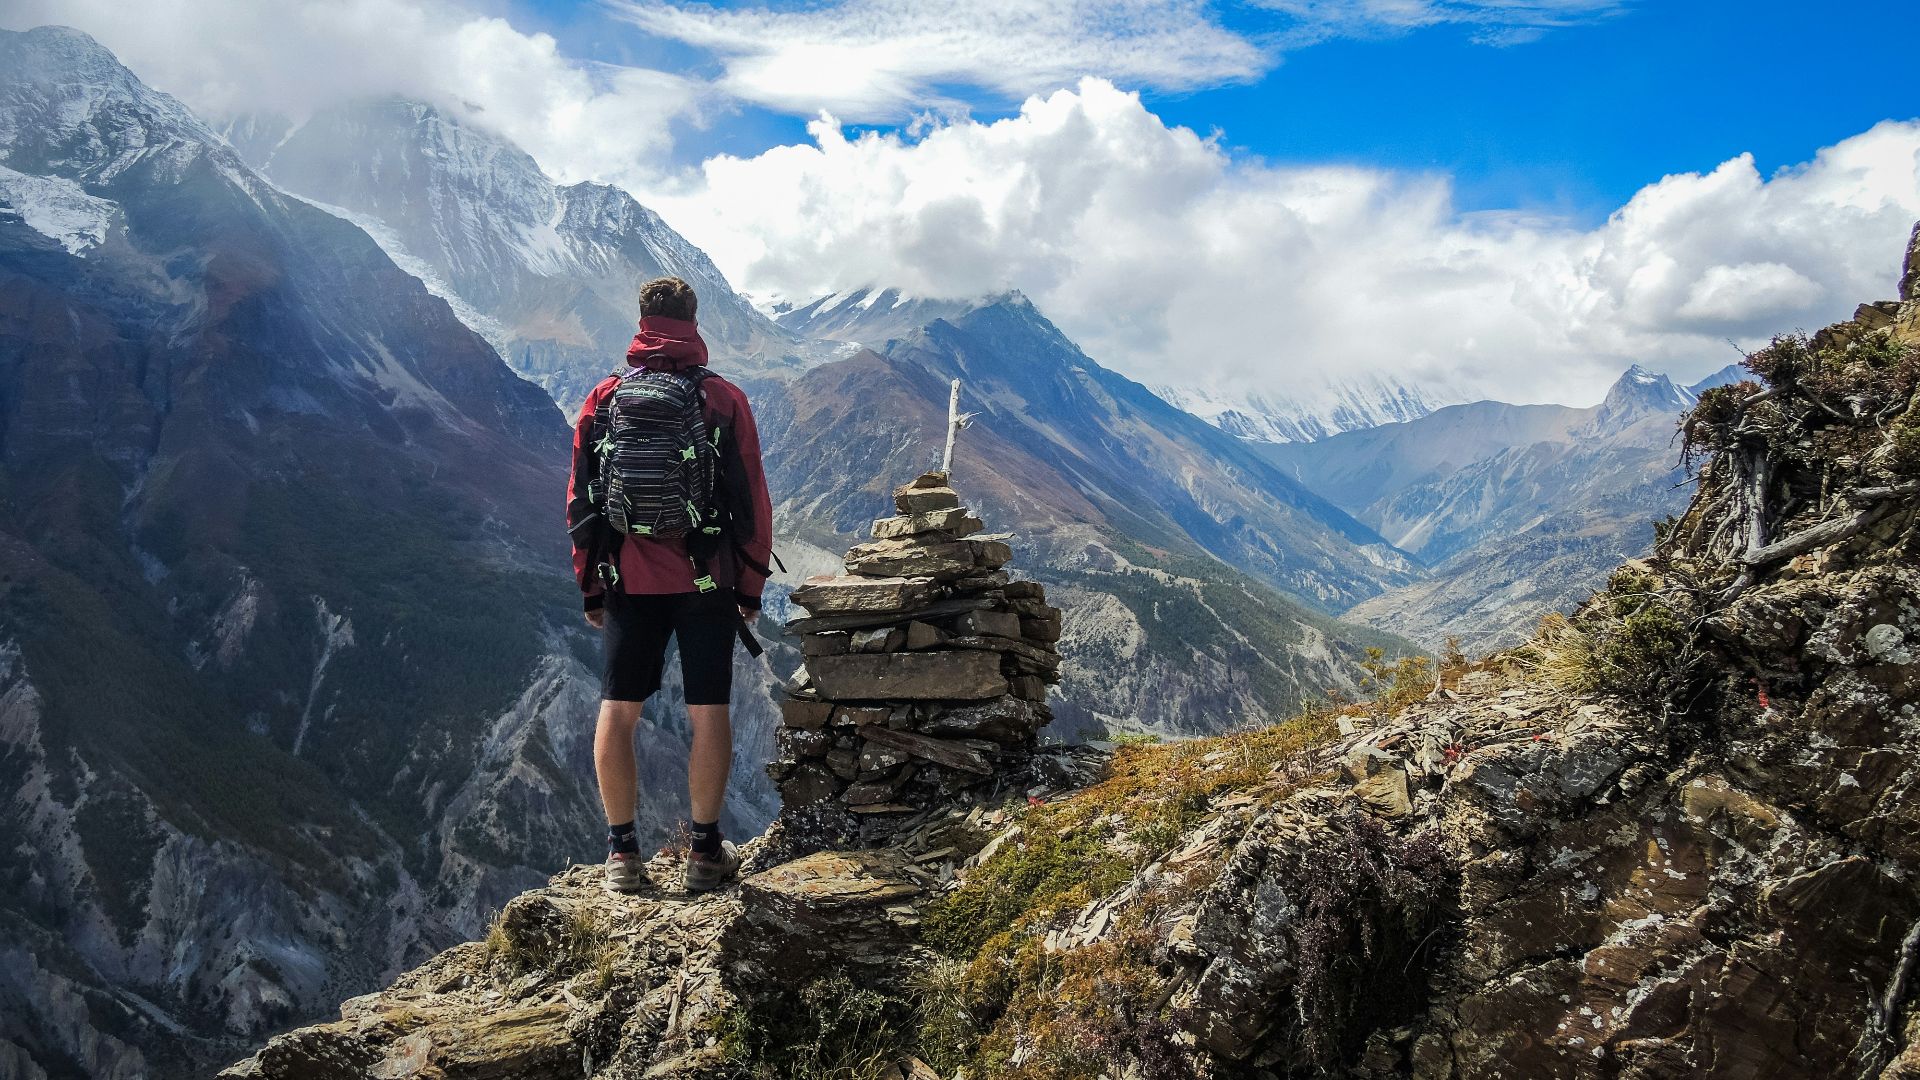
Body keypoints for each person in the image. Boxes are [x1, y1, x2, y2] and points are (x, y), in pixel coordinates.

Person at [566, 276, 774, 894]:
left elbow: (580, 500)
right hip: (707, 578)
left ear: (641, 321)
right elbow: (752, 500)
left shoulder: (604, 398)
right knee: (709, 712)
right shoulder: (724, 400)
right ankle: (705, 852)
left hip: (628, 576)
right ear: (694, 320)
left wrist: (591, 587)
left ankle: (622, 855)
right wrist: (751, 586)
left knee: (619, 710)